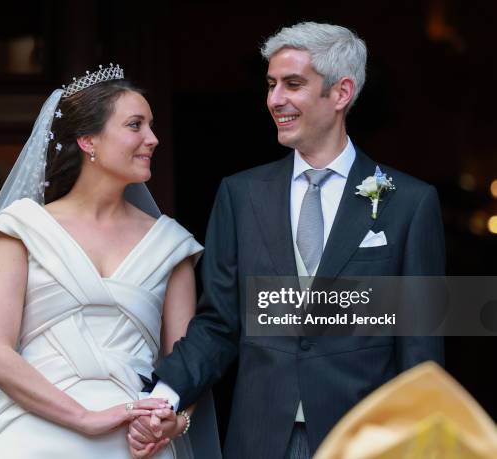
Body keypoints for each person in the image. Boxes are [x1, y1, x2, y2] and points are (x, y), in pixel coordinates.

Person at [128, 22, 445, 459]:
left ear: (341, 93)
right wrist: (165, 396)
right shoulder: (240, 195)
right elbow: (219, 323)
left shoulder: (410, 203)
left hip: (364, 441)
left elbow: (419, 345)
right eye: (272, 84)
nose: (275, 99)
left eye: (293, 84)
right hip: (259, 437)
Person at [0, 65, 220, 459]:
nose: (153, 139)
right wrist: (84, 418)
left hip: (135, 443)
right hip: (32, 437)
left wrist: (174, 420)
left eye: (151, 125)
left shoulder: (172, 244)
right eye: (135, 125)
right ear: (88, 140)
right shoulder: (23, 229)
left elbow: (185, 363)